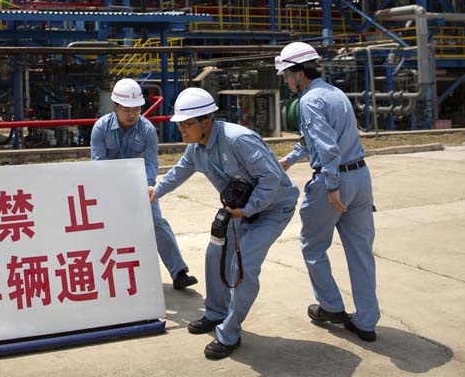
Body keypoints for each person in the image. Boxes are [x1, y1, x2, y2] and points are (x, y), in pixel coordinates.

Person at [149, 87, 299, 360]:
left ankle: (229, 333)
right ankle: (215, 312)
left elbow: (271, 178)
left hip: (272, 209)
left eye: (186, 124)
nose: (181, 130)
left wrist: (249, 209)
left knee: (242, 267)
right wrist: (156, 191)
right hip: (238, 209)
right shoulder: (197, 148)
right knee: (215, 254)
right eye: (180, 124)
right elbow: (179, 171)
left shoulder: (239, 140)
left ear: (206, 122)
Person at [275, 41, 380, 342]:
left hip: (334, 182)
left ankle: (331, 306)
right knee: (360, 252)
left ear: (299, 73)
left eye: (287, 76)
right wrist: (290, 160)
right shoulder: (336, 94)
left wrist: (332, 186)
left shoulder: (309, 101)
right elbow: (315, 139)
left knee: (312, 245)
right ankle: (366, 322)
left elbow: (327, 147)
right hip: (360, 178)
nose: (286, 82)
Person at [91, 78, 198, 291]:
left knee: (156, 222)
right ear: (115, 107)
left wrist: (147, 187)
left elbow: (151, 163)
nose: (132, 114)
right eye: (127, 109)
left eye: (136, 109)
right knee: (106, 229)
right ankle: (105, 277)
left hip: (139, 186)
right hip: (108, 188)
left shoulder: (147, 129)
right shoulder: (101, 128)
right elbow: (98, 164)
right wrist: (110, 191)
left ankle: (179, 272)